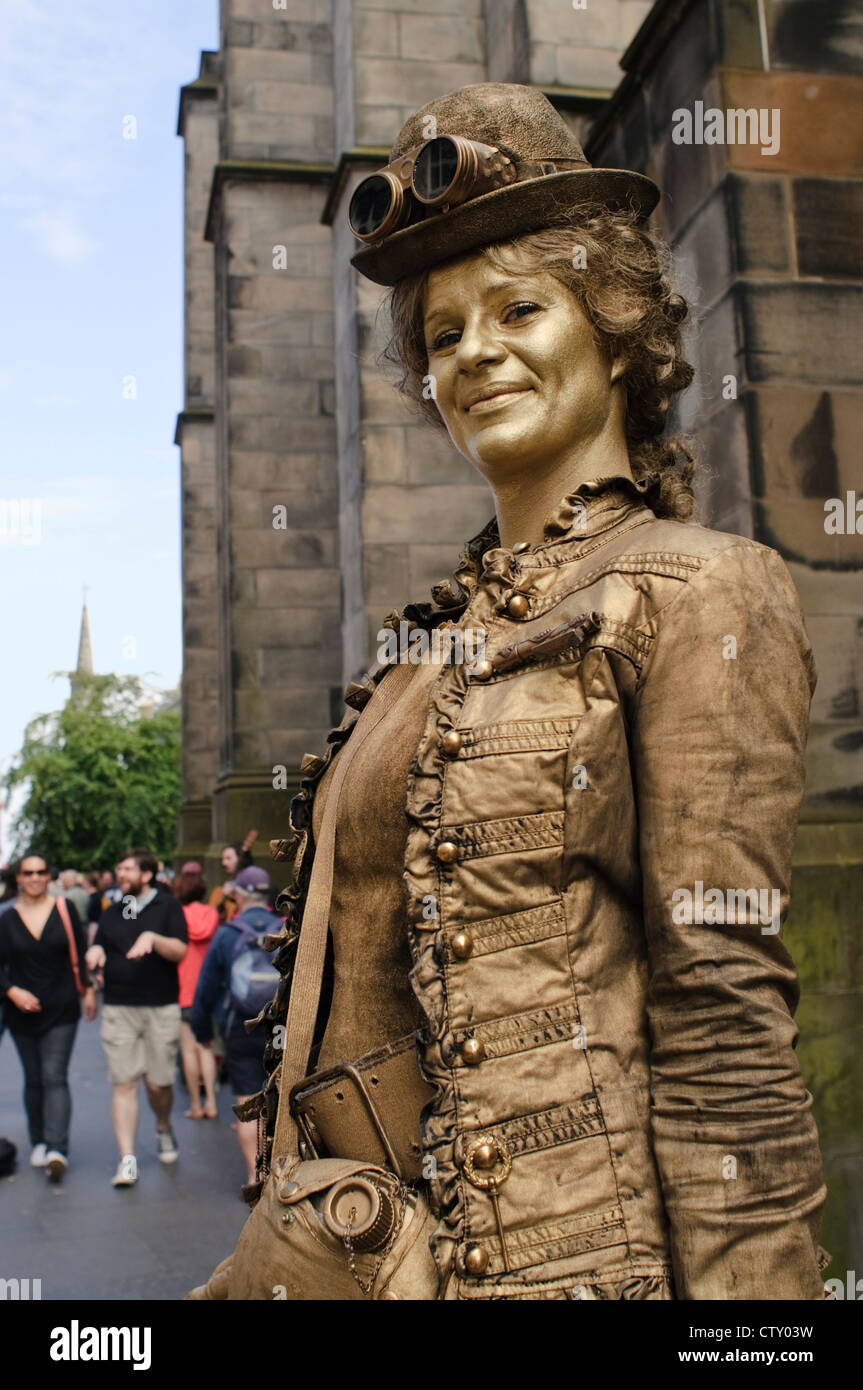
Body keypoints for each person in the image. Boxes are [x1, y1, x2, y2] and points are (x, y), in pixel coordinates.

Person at [193, 84, 827, 1301]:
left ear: (612, 328)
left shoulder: (702, 591)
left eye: (517, 309)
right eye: (440, 334)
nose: (473, 352)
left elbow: (725, 1028)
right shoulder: (420, 652)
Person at [85, 847, 187, 1187]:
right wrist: (96, 950)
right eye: (120, 868)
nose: (121, 874)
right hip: (118, 1008)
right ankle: (127, 1159)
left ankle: (163, 1126)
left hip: (160, 1007)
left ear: (147, 874)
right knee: (124, 1083)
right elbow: (100, 943)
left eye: (128, 869)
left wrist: (153, 938)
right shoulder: (113, 911)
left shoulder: (168, 907)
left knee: (159, 1083)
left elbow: (180, 951)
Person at [0, 853, 97, 1179]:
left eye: (41, 871)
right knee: (34, 1078)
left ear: (48, 876)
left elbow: (79, 951)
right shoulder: (7, 918)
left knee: (54, 1074)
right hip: (20, 1009)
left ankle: (57, 1147)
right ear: (19, 878)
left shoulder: (63, 908)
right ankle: (39, 1140)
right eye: (28, 872)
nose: (35, 877)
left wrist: (90, 989)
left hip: (62, 1005)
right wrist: (12, 991)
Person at [190, 867, 278, 1187]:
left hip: (241, 1027)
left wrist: (201, 1031)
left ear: (239, 895)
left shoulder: (227, 935)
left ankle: (255, 1177)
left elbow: (207, 989)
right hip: (281, 1026)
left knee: (248, 1101)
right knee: (281, 1097)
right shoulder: (286, 929)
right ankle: (284, 1171)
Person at [174, 862, 219, 1119]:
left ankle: (195, 1104)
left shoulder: (177, 915)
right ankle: (212, 1102)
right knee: (206, 1048)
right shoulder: (211, 915)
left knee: (188, 1049)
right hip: (206, 990)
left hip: (182, 990)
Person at [209, 836, 257, 924]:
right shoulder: (220, 891)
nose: (223, 863)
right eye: (223, 859)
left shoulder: (253, 884)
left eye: (228, 858)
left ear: (240, 859)